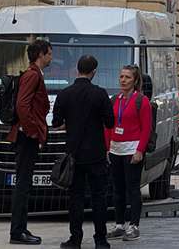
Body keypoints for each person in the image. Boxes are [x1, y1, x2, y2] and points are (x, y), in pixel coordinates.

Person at [52, 55, 115, 249]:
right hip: (96, 153)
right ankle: (101, 239)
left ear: (76, 70)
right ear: (94, 72)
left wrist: (70, 123)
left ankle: (75, 238)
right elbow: (110, 122)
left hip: (74, 153)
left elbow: (56, 122)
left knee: (75, 198)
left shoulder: (65, 94)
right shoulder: (100, 94)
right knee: (99, 197)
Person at [7, 38, 52, 246]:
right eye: (49, 53)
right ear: (41, 54)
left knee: (24, 184)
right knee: (23, 184)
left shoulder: (34, 74)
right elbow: (22, 105)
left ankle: (21, 228)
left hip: (27, 135)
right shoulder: (33, 75)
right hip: (26, 137)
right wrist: (33, 131)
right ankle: (17, 231)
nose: (51, 57)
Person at [105, 65, 153, 242]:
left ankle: (134, 225)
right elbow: (108, 125)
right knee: (117, 189)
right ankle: (119, 224)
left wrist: (140, 150)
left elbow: (146, 128)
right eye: (121, 77)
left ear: (135, 80)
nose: (123, 80)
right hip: (115, 149)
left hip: (132, 149)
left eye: (127, 77)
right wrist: (107, 147)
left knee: (132, 188)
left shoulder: (142, 101)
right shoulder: (114, 100)